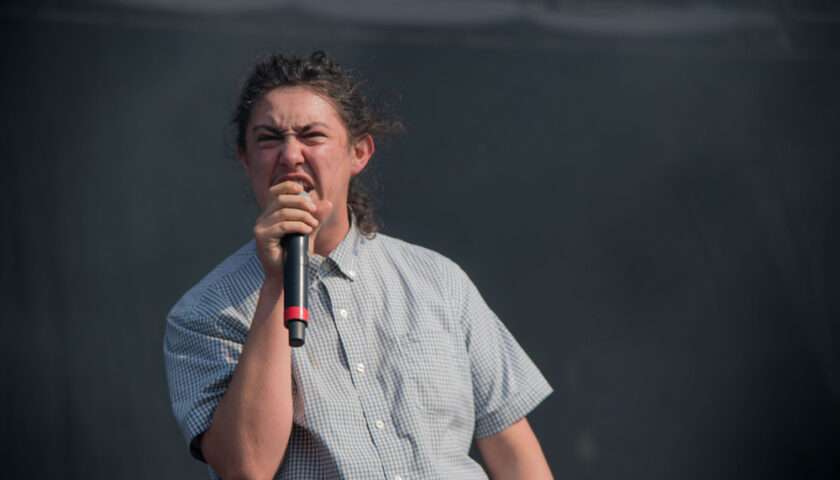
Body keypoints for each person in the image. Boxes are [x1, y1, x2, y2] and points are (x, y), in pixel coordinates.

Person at [164, 51, 553, 480]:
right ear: (245, 159)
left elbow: (514, 453)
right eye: (269, 138)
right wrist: (275, 283)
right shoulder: (204, 312)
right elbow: (246, 467)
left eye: (311, 135)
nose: (291, 155)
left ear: (360, 152)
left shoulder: (438, 280)